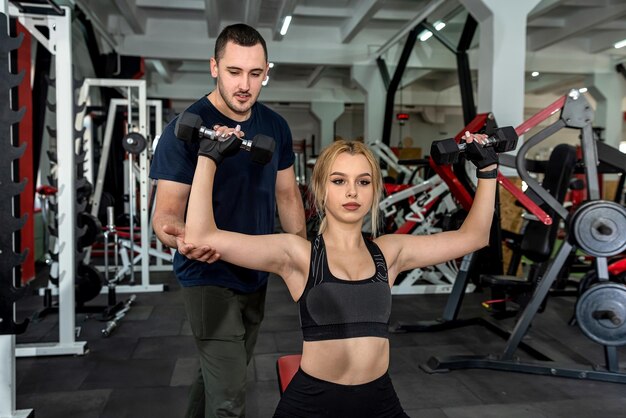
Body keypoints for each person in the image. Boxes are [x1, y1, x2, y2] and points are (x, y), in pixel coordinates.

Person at [181, 131, 498, 417]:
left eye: (363, 182)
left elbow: (475, 237)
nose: (352, 192)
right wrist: (208, 157)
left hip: (379, 402)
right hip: (313, 403)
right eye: (338, 181)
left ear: (374, 191)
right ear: (320, 189)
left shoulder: (389, 253)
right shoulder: (299, 255)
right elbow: (201, 236)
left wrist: (487, 172)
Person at [150, 23, 306, 418]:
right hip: (207, 275)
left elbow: (287, 195)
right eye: (234, 71)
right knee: (230, 397)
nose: (245, 84)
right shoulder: (184, 129)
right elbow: (166, 215)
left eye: (256, 74)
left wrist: (303, 256)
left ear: (266, 71)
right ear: (214, 67)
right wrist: (183, 238)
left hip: (255, 270)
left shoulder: (275, 126)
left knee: (217, 377)